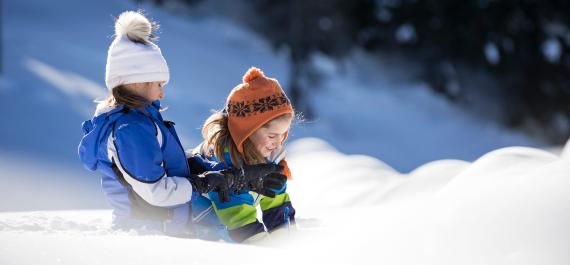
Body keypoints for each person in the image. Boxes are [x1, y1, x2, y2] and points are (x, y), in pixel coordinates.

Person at [77, 11, 282, 238]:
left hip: (164, 230)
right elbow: (156, 192)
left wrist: (230, 175)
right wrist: (204, 184)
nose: (162, 93)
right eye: (158, 83)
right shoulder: (130, 129)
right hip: (146, 237)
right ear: (137, 83)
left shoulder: (141, 121)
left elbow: (166, 165)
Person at [189, 66, 297, 243]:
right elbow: (239, 219)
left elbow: (277, 201)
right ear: (247, 132)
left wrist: (287, 241)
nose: (279, 142)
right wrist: (266, 249)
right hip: (203, 231)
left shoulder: (271, 153)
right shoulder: (224, 159)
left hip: (230, 227)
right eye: (272, 136)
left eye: (283, 134)